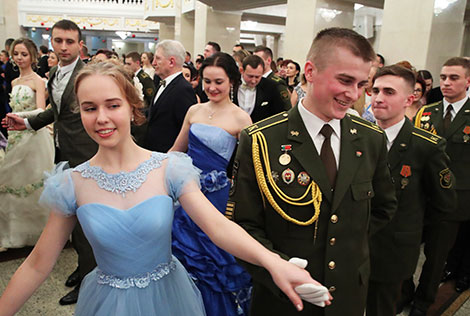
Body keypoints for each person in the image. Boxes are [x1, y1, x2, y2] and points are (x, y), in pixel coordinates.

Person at [0, 61, 328, 316]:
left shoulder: (167, 168)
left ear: (131, 107)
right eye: (90, 108)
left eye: (112, 105)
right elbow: (37, 264)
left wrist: (274, 262)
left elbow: (217, 227)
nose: (102, 118)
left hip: (170, 298)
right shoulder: (73, 183)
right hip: (108, 303)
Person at [229, 27, 397, 316]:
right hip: (282, 298)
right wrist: (279, 267)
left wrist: (347, 249)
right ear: (310, 71)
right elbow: (243, 225)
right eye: (344, 80)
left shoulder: (370, 139)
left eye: (361, 84)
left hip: (347, 296)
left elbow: (383, 207)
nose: (353, 94)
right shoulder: (262, 140)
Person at [2, 19, 98, 306]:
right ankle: (83, 268)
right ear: (52, 42)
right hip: (64, 156)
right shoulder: (55, 72)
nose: (64, 46)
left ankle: (89, 281)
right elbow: (54, 112)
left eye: (70, 41)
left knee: (85, 222)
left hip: (87, 156)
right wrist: (28, 123)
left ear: (79, 44)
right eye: (59, 41)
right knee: (71, 216)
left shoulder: (89, 74)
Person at [366, 65, 456, 316]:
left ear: (409, 99)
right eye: (375, 90)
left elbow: (444, 203)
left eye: (388, 92)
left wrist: (411, 228)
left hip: (392, 250)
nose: (378, 98)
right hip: (353, 245)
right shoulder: (358, 137)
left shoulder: (426, 146)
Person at [170, 52, 253, 316]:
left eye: (218, 81)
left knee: (213, 255)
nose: (212, 88)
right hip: (186, 192)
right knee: (183, 253)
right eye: (207, 81)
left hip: (217, 198)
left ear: (231, 82)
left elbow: (251, 167)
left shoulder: (241, 118)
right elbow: (176, 150)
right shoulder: (194, 110)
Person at [409, 57, 470, 315]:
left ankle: (423, 302)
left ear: (468, 81)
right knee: (409, 249)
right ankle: (404, 292)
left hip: (455, 199)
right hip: (421, 196)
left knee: (436, 256)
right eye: (443, 77)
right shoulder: (426, 112)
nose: (446, 82)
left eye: (454, 78)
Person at [0, 38, 54, 249]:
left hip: (33, 135)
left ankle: (39, 232)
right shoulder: (14, 83)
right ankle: (15, 233)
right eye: (16, 54)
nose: (20, 58)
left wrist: (19, 117)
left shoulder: (38, 81)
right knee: (13, 181)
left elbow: (41, 110)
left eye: (24, 54)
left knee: (33, 180)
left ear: (32, 56)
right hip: (15, 136)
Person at [143, 40, 197, 152]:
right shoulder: (163, 83)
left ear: (171, 62)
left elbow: (186, 130)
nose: (153, 63)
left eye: (157, 58)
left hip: (168, 156)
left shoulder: (183, 89)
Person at [233, 55, 289, 123]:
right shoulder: (232, 84)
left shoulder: (271, 87)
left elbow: (278, 114)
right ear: (241, 71)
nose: (253, 81)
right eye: (250, 76)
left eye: (257, 77)